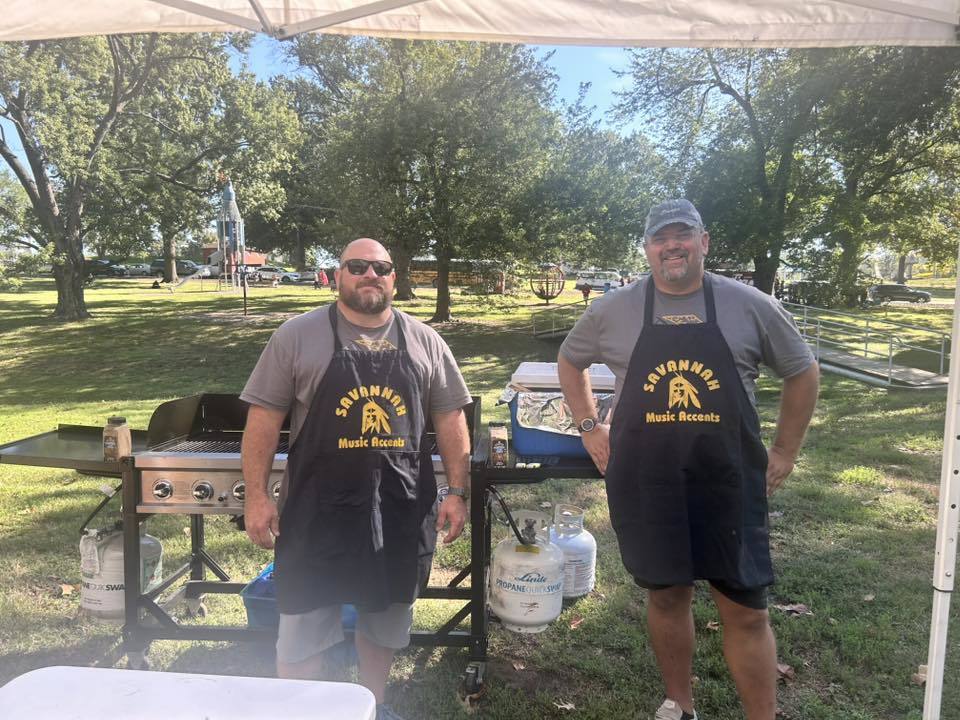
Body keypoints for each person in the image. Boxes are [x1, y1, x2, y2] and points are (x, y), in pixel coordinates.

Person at [558, 199, 819, 720]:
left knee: (744, 612)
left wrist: (785, 451)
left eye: (683, 235)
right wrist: (590, 427)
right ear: (648, 248)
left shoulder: (749, 304)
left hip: (727, 480)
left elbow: (802, 371)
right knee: (666, 597)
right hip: (649, 481)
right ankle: (680, 703)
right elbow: (570, 361)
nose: (671, 245)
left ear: (704, 242)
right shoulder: (614, 308)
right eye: (661, 237)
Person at [241, 238, 472, 720]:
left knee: (385, 615)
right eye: (358, 266)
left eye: (381, 267)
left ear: (393, 277)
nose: (371, 274)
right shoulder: (297, 336)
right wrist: (257, 497)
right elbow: (263, 422)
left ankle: (373, 705)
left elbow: (451, 419)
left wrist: (456, 491)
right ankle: (300, 711)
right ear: (338, 275)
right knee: (303, 618)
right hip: (316, 509)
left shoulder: (426, 340)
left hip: (400, 507)